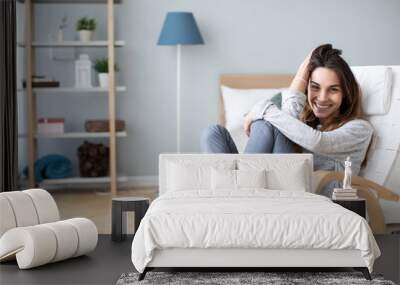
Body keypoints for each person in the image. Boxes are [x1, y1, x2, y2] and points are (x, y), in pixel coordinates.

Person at [201, 44, 373, 193]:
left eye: (333, 89)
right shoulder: (303, 124)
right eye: (315, 87)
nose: (322, 97)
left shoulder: (360, 129)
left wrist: (262, 108)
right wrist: (304, 69)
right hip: (270, 184)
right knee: (213, 132)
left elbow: (317, 141)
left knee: (265, 125)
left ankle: (237, 193)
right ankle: (236, 192)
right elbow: (286, 119)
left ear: (346, 93)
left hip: (304, 197)